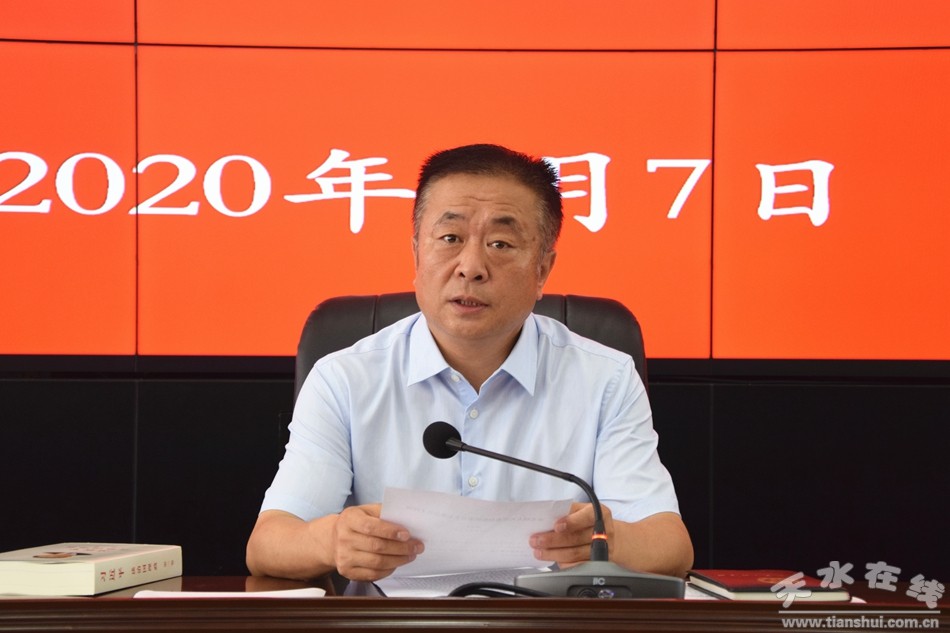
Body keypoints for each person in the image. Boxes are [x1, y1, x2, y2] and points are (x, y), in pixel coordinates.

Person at [246, 143, 693, 582]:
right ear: (416, 254)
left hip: (550, 619)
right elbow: (268, 545)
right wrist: (332, 540)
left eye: (500, 243)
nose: (471, 266)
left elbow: (670, 547)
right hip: (392, 620)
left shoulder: (605, 378)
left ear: (542, 270)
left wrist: (608, 539)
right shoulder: (344, 378)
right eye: (450, 238)